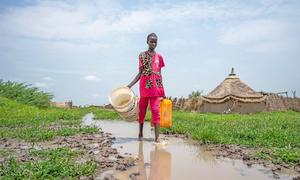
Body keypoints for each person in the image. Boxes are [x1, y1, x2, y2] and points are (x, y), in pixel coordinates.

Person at [127, 33, 166, 142]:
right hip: (144, 87)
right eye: (151, 41)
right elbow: (140, 73)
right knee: (142, 111)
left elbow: (159, 74)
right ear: (147, 42)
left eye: (155, 42)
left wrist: (162, 90)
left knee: (155, 110)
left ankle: (157, 137)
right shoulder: (142, 55)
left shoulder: (159, 57)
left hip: (155, 89)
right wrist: (129, 85)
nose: (153, 43)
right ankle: (140, 133)